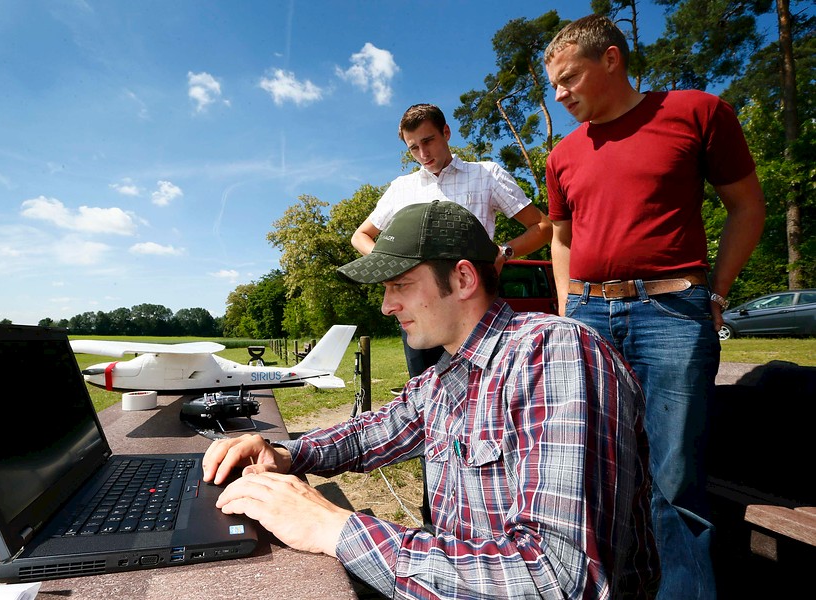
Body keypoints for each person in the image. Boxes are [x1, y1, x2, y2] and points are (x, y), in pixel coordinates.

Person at [203, 200, 659, 599]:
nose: (386, 306)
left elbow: (557, 579)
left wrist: (332, 528)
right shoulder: (444, 375)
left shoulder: (554, 354)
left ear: (462, 278)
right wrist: (284, 453)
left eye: (399, 284)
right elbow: (373, 432)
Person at [543, 15, 766, 599]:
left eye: (568, 79)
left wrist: (716, 291)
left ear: (611, 59)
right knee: (587, 468)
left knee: (672, 477)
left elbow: (747, 205)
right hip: (588, 317)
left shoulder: (697, 112)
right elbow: (561, 238)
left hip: (671, 313)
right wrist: (569, 311)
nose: (560, 95)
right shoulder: (563, 154)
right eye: (554, 86)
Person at [351, 103, 553, 379]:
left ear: (446, 132)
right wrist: (394, 267)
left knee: (486, 388)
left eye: (428, 141)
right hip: (420, 309)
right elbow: (360, 236)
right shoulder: (402, 187)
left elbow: (542, 227)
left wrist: (503, 252)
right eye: (413, 148)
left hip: (473, 307)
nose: (423, 154)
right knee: (429, 393)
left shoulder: (485, 175)